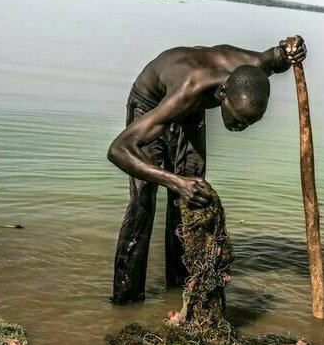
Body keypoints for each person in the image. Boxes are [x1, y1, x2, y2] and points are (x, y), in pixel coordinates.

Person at [107, 36, 307, 304]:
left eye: (249, 122)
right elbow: (118, 150)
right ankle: (126, 299)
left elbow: (279, 57)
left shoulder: (254, 66)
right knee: (144, 201)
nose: (240, 128)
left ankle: (180, 289)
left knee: (193, 196)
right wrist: (175, 181)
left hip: (191, 108)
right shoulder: (189, 90)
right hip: (152, 105)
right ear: (224, 93)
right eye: (237, 118)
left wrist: (292, 50)